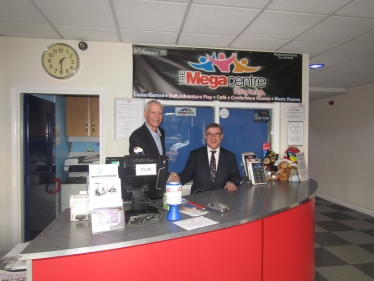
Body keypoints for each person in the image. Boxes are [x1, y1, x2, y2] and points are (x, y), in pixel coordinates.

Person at [169, 123, 241, 194]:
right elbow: (187, 174)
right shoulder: (195, 155)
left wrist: (231, 182)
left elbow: (236, 177)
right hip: (199, 200)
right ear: (205, 136)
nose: (213, 138)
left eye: (216, 134)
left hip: (222, 199)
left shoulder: (230, 156)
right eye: (209, 134)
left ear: (222, 136)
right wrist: (177, 178)